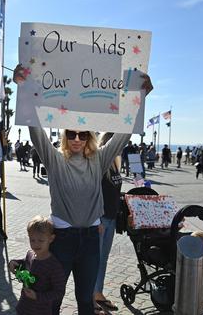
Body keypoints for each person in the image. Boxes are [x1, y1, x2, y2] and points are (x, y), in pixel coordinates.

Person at [14, 63, 153, 315]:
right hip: (62, 239)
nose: (76, 139)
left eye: (81, 134)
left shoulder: (99, 158)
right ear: (65, 136)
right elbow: (36, 133)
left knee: (86, 302)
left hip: (91, 238)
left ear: (89, 136)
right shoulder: (55, 160)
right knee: (52, 300)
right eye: (71, 134)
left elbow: (123, 134)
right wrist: (23, 88)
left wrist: (140, 98)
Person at [8, 215, 66, 315]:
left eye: (41, 240)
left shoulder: (54, 266)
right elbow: (25, 262)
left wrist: (37, 296)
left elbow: (59, 292)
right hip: (23, 307)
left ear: (51, 239)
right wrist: (14, 263)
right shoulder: (30, 254)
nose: (36, 244)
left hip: (41, 310)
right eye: (32, 240)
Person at [94, 133, 122, 313]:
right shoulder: (100, 163)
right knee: (95, 260)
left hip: (111, 219)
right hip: (101, 220)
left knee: (102, 260)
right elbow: (94, 192)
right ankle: (90, 297)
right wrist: (97, 219)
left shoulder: (115, 163)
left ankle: (98, 293)